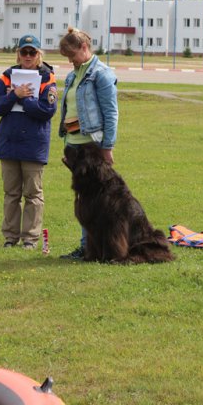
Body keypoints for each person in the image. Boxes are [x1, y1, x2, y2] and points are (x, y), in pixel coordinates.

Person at [0, 34, 58, 249]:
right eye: (24, 52)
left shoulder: (47, 78)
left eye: (32, 52)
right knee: (11, 194)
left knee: (33, 194)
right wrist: (13, 95)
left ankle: (30, 238)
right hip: (9, 144)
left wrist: (24, 98)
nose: (28, 56)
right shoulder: (7, 76)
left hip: (33, 145)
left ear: (39, 54)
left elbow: (48, 110)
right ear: (18, 54)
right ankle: (10, 237)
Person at [57, 27, 118, 260]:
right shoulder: (73, 75)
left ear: (84, 47)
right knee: (83, 198)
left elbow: (111, 113)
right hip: (74, 145)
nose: (70, 60)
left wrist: (107, 146)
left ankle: (96, 248)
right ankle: (87, 247)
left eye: (72, 54)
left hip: (92, 147)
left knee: (97, 201)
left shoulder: (101, 74)